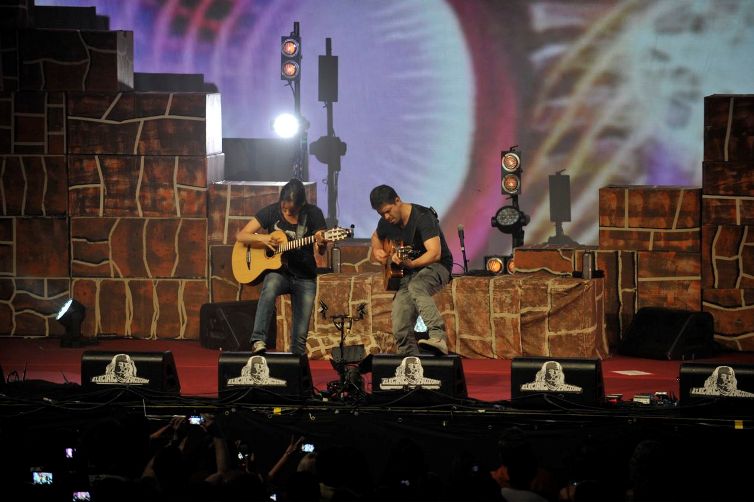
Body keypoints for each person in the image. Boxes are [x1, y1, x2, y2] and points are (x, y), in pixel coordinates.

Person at [236, 178, 327, 356]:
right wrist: (262, 238)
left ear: (302, 205)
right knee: (269, 286)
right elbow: (241, 235)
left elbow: (321, 250)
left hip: (305, 275)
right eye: (284, 208)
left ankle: (296, 368)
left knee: (300, 337)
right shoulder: (271, 211)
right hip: (280, 273)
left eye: (291, 210)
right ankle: (258, 340)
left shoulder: (314, 214)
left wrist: (321, 243)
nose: (286, 212)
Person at [369, 185, 453, 355]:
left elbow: (435, 253)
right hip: (409, 274)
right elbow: (376, 237)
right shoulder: (385, 222)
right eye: (381, 214)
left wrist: (412, 264)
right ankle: (410, 366)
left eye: (388, 211)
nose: (386, 217)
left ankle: (438, 337)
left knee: (417, 286)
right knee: (400, 321)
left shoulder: (423, 217)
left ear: (397, 200)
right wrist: (378, 251)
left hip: (437, 267)